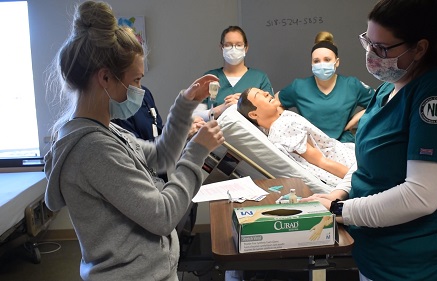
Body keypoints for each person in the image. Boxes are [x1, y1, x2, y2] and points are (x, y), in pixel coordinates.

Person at [302, 0, 437, 280]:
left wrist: (340, 210)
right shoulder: (388, 88)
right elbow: (368, 164)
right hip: (381, 252)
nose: (372, 54)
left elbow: (420, 197)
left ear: (420, 48)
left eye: (383, 48)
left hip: (434, 258)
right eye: (369, 42)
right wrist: (340, 191)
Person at [43, 2, 224, 281]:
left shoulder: (110, 132)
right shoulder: (93, 150)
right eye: (136, 81)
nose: (141, 90)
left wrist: (185, 105)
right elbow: (162, 215)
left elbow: (162, 155)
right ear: (105, 77)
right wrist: (198, 152)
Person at [237, 87, 356, 188]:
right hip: (346, 165)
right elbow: (321, 162)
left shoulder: (279, 121)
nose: (266, 93)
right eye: (259, 95)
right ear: (253, 114)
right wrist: (359, 179)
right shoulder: (283, 128)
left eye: (262, 91)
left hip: (344, 154)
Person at [275, 31, 374, 143]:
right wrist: (291, 124)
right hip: (311, 147)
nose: (321, 65)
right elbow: (275, 102)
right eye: (316, 61)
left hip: (344, 145)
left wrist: (355, 120)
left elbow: (380, 101)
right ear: (311, 64)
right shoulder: (299, 87)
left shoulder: (352, 85)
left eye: (327, 60)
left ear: (337, 62)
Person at [194, 26, 273, 121]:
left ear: (246, 48)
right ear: (221, 47)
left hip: (250, 135)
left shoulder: (259, 78)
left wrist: (243, 104)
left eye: (239, 45)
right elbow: (195, 116)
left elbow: (271, 114)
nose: (233, 49)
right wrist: (221, 108)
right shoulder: (210, 78)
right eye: (228, 45)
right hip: (216, 134)